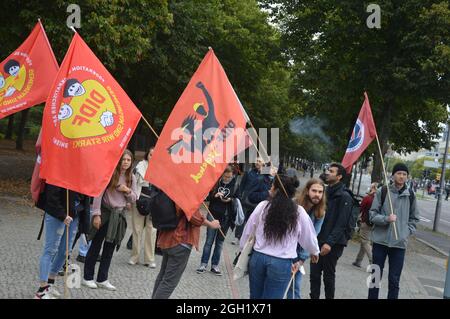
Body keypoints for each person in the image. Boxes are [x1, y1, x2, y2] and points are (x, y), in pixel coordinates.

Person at [240, 174, 320, 299]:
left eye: (272, 186)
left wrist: (242, 250)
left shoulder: (263, 206)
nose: (269, 189)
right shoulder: (299, 212)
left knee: (255, 297)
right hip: (281, 263)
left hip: (258, 259)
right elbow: (308, 236)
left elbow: (248, 231)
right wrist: (314, 251)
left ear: (277, 190)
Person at [82, 149, 137, 291]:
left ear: (131, 162)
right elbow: (98, 193)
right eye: (123, 159)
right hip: (105, 213)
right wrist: (96, 214)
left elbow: (134, 198)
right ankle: (87, 277)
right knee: (96, 246)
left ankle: (102, 279)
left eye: (128, 160)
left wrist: (127, 190)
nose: (125, 162)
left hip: (118, 216)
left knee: (109, 249)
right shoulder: (110, 173)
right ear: (119, 160)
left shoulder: (132, 177)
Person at [368, 163, 420, 299]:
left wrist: (405, 233)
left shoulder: (411, 195)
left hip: (399, 245)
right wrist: (386, 219)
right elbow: (372, 215)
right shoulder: (383, 191)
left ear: (407, 177)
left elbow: (414, 219)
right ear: (393, 175)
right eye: (399, 173)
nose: (401, 176)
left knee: (394, 281)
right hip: (380, 242)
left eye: (404, 174)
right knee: (375, 278)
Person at [35, 184, 90, 299]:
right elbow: (51, 197)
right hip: (56, 213)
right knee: (50, 250)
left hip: (74, 214)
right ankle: (41, 290)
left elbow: (86, 198)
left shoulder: (82, 173)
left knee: (65, 252)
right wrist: (62, 215)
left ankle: (50, 282)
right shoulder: (59, 169)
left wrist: (85, 225)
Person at [152, 206, 220, 299]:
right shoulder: (187, 197)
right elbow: (194, 217)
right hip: (180, 241)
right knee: (169, 282)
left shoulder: (175, 193)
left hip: (167, 238)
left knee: (163, 276)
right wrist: (211, 224)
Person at [309, 163, 353, 299]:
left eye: (332, 171)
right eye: (328, 170)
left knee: (328, 276)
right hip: (318, 240)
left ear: (339, 176)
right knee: (314, 274)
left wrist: (329, 243)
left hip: (333, 244)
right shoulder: (324, 192)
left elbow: (342, 223)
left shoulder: (345, 197)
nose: (328, 172)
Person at [287, 178, 326, 299]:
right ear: (307, 190)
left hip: (299, 255)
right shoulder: (293, 204)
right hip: (285, 251)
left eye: (320, 192)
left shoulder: (320, 212)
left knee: (294, 289)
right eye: (314, 190)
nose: (317, 194)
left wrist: (301, 260)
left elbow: (312, 237)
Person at [197, 166, 238, 275]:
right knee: (209, 241)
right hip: (213, 214)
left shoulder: (235, 184)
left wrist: (230, 199)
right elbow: (207, 197)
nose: (227, 179)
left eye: (229, 177)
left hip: (226, 216)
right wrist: (215, 195)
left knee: (219, 242)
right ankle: (203, 263)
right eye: (225, 176)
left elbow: (238, 199)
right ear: (222, 175)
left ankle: (215, 265)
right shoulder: (215, 182)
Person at [129, 147, 157, 268]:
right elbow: (132, 184)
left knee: (152, 231)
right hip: (140, 199)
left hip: (154, 202)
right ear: (147, 155)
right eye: (151, 154)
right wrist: (131, 200)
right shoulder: (140, 167)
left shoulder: (161, 169)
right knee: (137, 229)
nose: (152, 157)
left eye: (155, 155)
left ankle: (149, 259)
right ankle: (134, 256)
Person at [352, 182, 378, 268]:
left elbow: (361, 209)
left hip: (365, 222)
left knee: (365, 242)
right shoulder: (378, 199)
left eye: (370, 187)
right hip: (374, 223)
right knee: (364, 241)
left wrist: (356, 219)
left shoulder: (368, 198)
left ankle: (373, 261)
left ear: (373, 188)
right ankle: (358, 261)